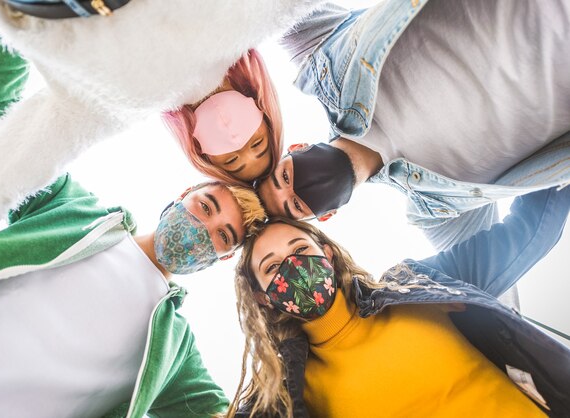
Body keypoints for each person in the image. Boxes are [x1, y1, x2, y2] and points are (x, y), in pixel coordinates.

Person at [0, 17, 266, 417]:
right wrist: (20, 15)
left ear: (222, 258)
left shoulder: (173, 349)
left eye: (222, 236)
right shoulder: (70, 209)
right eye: (205, 207)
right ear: (181, 196)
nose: (203, 230)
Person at [229, 185, 570, 417]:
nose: (295, 268)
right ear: (263, 298)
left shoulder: (419, 285)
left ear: (328, 256)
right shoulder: (287, 392)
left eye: (300, 249)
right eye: (273, 267)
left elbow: (529, 231)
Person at [257, 0, 570, 250]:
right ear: (326, 215)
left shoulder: (321, 54)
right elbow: (487, 297)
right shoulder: (437, 209)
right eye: (295, 205)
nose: (297, 187)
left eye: (284, 177)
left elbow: (256, 11)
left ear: (296, 148)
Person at [161, 49, 283, 184]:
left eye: (231, 160)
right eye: (257, 143)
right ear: (265, 116)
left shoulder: (154, 94)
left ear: (205, 157)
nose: (237, 141)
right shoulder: (239, 41)